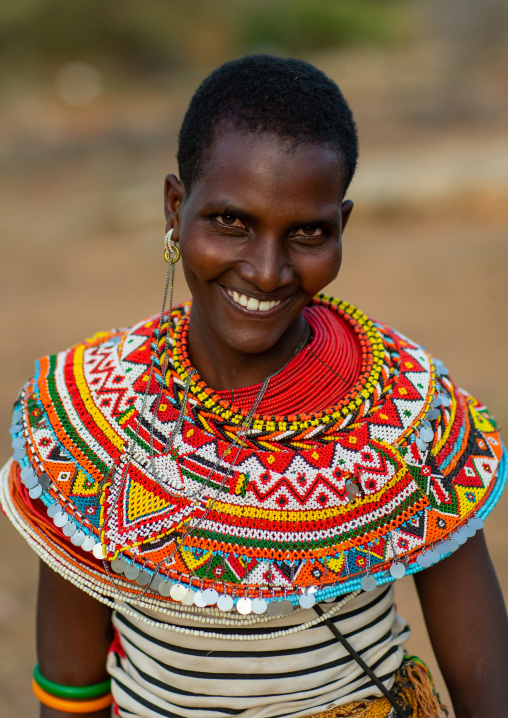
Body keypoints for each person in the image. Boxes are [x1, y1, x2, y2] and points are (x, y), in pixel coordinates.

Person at [1, 55, 507, 718]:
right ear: (175, 208)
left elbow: (487, 685)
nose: (267, 272)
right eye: (231, 222)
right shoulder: (90, 418)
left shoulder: (410, 411)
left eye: (307, 232)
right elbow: (70, 692)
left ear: (341, 227)